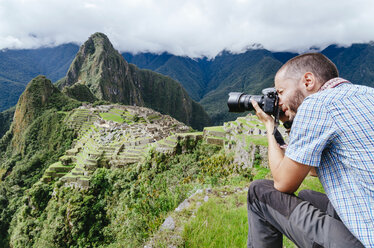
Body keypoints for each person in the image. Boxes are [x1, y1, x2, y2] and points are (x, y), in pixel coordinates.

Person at [247, 53, 373, 248]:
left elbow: (283, 183)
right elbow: (314, 170)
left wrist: (270, 124)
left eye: (280, 92)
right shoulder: (367, 94)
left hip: (366, 240)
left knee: (259, 191)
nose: (279, 101)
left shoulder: (316, 104)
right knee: (307, 196)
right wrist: (290, 125)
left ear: (308, 81)